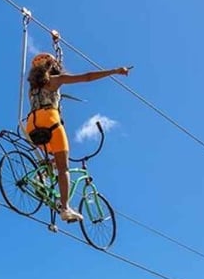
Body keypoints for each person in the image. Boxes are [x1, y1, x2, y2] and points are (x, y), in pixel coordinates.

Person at [25, 53, 131, 221]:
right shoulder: (55, 81)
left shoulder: (32, 90)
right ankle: (65, 208)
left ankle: (41, 176)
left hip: (32, 125)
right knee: (63, 167)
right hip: (50, 121)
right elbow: (87, 77)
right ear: (51, 66)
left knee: (50, 157)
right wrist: (114, 71)